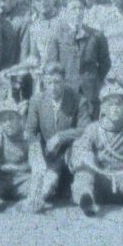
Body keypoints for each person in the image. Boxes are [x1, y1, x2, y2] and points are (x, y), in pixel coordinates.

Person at [70, 81, 123, 218]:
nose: (115, 108)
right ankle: (86, 199)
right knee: (85, 165)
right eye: (110, 104)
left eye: (118, 104)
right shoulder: (93, 129)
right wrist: (83, 158)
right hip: (101, 184)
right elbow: (80, 150)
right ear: (103, 108)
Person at [25, 62, 92, 204]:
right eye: (49, 82)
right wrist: (37, 155)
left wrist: (60, 137)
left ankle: (77, 189)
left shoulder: (78, 100)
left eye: (57, 82)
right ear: (43, 82)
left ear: (64, 81)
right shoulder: (37, 101)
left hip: (71, 155)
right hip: (49, 157)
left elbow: (86, 130)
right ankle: (38, 196)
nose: (53, 87)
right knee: (46, 187)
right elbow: (30, 132)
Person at [0, 100, 47, 213]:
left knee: (49, 178)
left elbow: (39, 167)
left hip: (23, 183)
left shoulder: (30, 139)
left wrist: (34, 194)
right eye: (3, 120)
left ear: (20, 119)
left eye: (11, 118)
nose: (8, 123)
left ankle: (32, 202)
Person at [46, 0, 111, 119]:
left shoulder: (96, 35)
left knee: (89, 123)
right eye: (73, 8)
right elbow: (52, 65)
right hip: (66, 90)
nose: (77, 12)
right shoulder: (57, 35)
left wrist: (94, 80)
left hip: (90, 92)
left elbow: (105, 63)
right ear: (66, 11)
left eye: (80, 8)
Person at [20, 0, 60, 73]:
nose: (43, 2)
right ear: (33, 3)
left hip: (60, 74)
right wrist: (17, 69)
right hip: (41, 73)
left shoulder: (62, 22)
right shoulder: (34, 26)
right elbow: (34, 56)